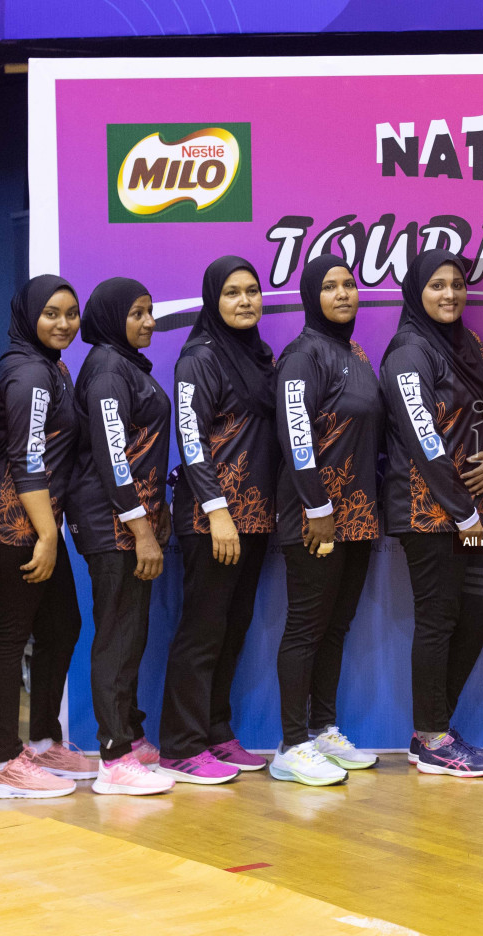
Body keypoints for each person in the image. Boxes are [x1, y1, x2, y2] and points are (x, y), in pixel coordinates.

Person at [380, 248, 483, 778]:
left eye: (457, 284)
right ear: (417, 291)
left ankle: (434, 731)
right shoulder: (409, 351)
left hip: (480, 508)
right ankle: (431, 737)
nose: (450, 294)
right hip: (430, 512)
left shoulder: (470, 344)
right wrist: (463, 513)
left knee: (477, 616)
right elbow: (422, 440)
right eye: (437, 285)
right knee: (438, 619)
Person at [159, 256, 279, 784]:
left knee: (232, 630)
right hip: (213, 519)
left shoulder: (259, 355)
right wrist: (217, 512)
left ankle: (215, 731)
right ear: (214, 300)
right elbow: (190, 436)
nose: (245, 301)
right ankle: (181, 747)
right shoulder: (199, 358)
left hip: (254, 516)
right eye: (232, 293)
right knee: (202, 632)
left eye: (252, 291)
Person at [269, 256, 384, 786]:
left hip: (357, 518)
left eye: (349, 284)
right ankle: (291, 745)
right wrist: (317, 509)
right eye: (330, 286)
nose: (343, 294)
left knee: (335, 629)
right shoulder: (303, 355)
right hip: (315, 519)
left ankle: (323, 731)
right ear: (312, 294)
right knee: (306, 629)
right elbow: (297, 435)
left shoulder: (354, 352)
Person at [0, 276, 88, 799]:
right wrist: (47, 534)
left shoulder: (52, 367)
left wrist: (49, 530)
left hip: (38, 524)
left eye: (70, 313)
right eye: (50, 314)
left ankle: (42, 742)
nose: (62, 323)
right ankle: (2, 764)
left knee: (62, 624)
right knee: (6, 641)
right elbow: (26, 458)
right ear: (28, 317)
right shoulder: (29, 374)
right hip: (10, 527)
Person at [68, 277, 174, 796]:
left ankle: (128, 736)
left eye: (150, 311)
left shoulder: (125, 364)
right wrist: (142, 530)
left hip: (134, 522)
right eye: (137, 313)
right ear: (113, 317)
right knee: (116, 634)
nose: (149, 321)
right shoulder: (109, 369)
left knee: (130, 632)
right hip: (113, 525)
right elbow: (113, 458)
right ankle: (113, 757)